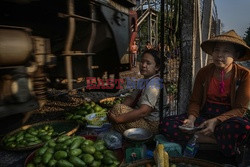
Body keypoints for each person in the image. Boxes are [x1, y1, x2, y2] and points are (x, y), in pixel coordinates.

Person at [160, 30, 250, 157]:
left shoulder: (244, 75)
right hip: (204, 116)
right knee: (166, 124)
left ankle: (197, 137)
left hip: (227, 119)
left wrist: (216, 121)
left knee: (243, 127)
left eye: (226, 51)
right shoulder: (204, 72)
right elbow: (195, 101)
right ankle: (220, 142)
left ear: (236, 55)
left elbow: (240, 109)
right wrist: (191, 120)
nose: (219, 55)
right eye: (217, 50)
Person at [108, 49, 167, 134]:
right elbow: (131, 98)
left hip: (151, 125)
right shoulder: (144, 80)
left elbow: (144, 111)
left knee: (118, 111)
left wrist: (118, 118)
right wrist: (116, 111)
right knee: (117, 109)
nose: (143, 65)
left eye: (148, 63)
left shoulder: (154, 84)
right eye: (142, 62)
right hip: (143, 120)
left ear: (157, 67)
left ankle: (138, 139)